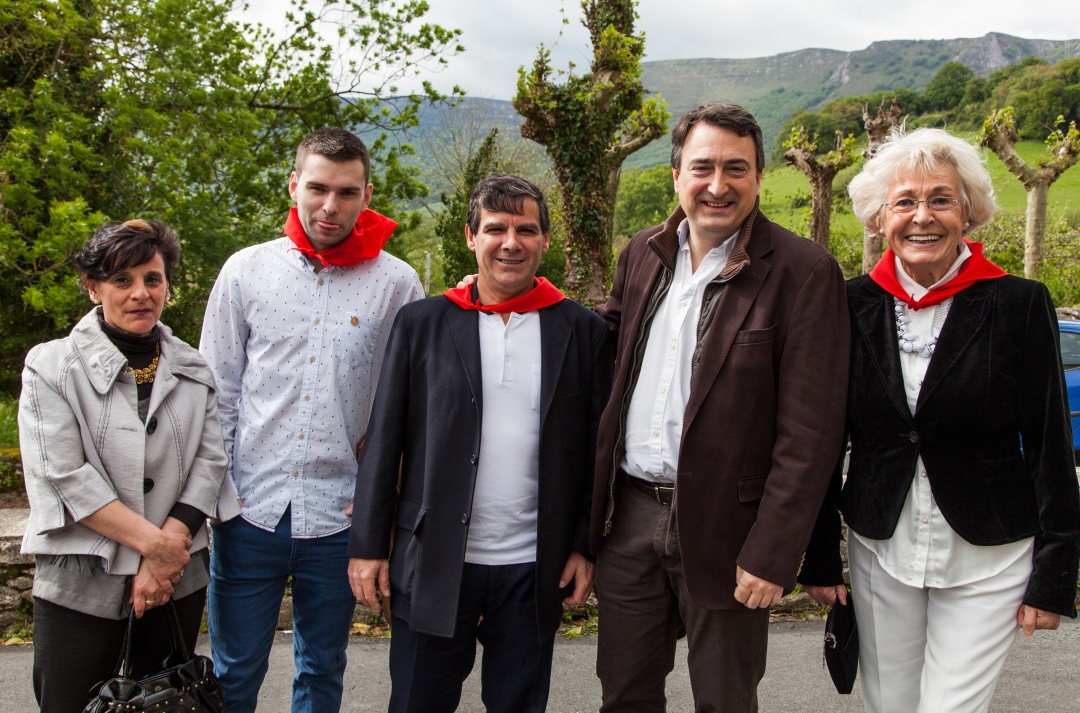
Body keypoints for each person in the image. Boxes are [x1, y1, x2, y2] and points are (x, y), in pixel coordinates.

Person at [800, 126, 1080, 713]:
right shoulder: (848, 304)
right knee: (890, 705)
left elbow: (1050, 444)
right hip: (881, 549)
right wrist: (822, 556)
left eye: (941, 199)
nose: (922, 216)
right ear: (880, 218)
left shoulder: (1020, 304)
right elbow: (824, 441)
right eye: (904, 201)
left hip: (991, 555)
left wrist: (1055, 575)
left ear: (968, 212)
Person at [590, 102, 850, 711]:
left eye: (736, 168)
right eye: (702, 167)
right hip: (629, 518)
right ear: (676, 175)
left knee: (725, 700)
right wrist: (502, 299)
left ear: (758, 178)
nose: (718, 185)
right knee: (623, 696)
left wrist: (773, 550)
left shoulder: (805, 272)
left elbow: (811, 434)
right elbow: (601, 349)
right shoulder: (642, 252)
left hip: (731, 530)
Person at [348, 174, 612, 712]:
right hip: (434, 562)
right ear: (471, 237)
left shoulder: (581, 330)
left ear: (544, 240)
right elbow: (384, 439)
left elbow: (595, 451)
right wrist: (368, 546)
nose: (511, 243)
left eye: (526, 230)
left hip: (532, 569)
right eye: (495, 229)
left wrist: (585, 546)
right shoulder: (422, 324)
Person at [200, 127, 423, 713]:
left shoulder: (397, 283)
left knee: (322, 669)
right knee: (233, 672)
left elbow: (407, 404)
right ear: (294, 185)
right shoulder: (245, 271)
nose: (330, 206)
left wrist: (383, 497)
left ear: (366, 195)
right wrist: (217, 492)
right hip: (249, 509)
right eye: (318, 188)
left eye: (347, 193)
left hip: (341, 514)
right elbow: (218, 390)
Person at [18, 219, 234, 713]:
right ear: (92, 287)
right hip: (82, 574)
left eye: (152, 279)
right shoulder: (50, 367)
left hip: (175, 579)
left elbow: (210, 461)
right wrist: (155, 549)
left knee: (164, 701)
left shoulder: (193, 367)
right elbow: (63, 474)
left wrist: (167, 553)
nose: (141, 293)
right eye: (122, 280)